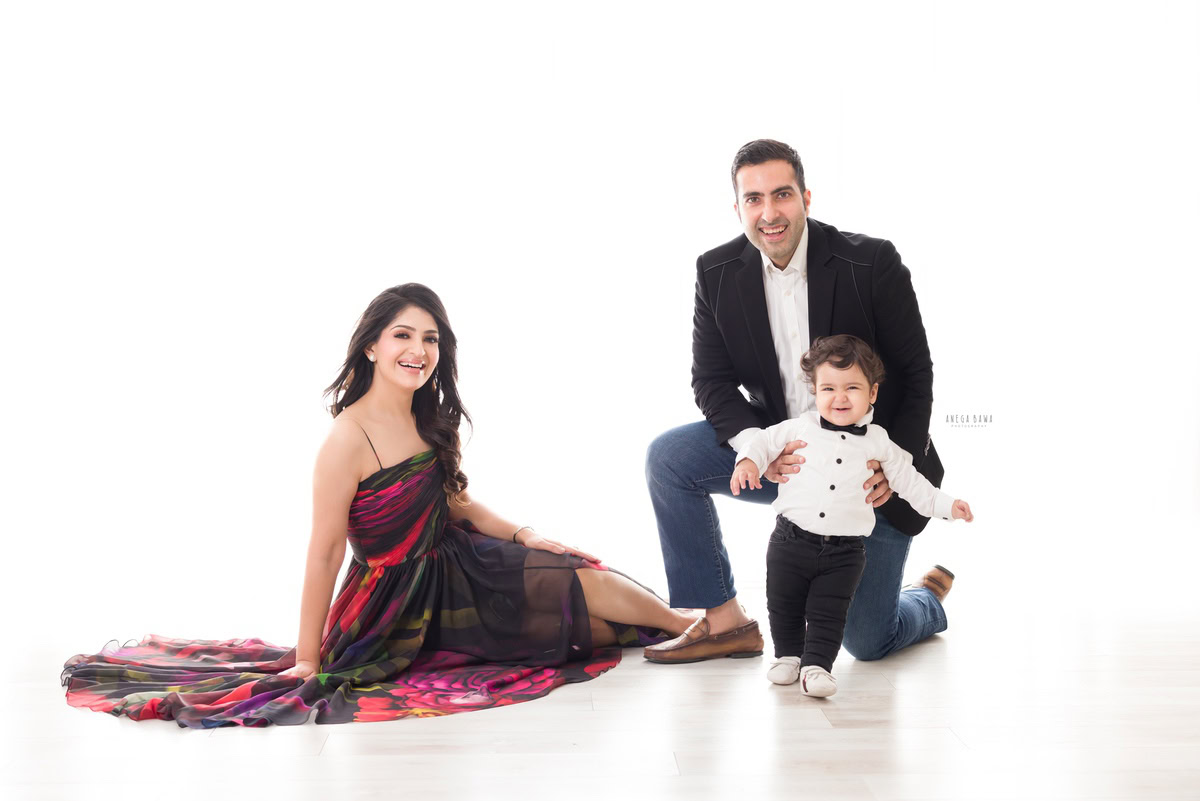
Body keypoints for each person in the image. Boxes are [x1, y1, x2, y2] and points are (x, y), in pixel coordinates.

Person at [61, 283, 692, 727]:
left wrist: (525, 534)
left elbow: (461, 505)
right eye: (402, 336)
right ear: (371, 347)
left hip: (460, 565)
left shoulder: (428, 417)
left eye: (431, 339)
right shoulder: (346, 438)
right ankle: (691, 631)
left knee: (572, 576)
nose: (418, 350)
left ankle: (694, 629)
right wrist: (308, 658)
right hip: (392, 605)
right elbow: (324, 554)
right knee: (579, 634)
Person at [644, 138, 954, 666]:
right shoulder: (715, 272)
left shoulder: (871, 262)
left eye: (782, 194)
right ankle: (725, 623)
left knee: (866, 642)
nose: (769, 213)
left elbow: (916, 374)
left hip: (867, 470)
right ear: (738, 207)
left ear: (806, 198)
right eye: (754, 198)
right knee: (669, 458)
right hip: (786, 454)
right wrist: (754, 450)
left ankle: (925, 600)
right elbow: (711, 382)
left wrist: (886, 462)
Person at [729, 334, 973, 696]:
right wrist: (749, 460)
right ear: (814, 391)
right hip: (789, 540)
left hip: (844, 552)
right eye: (828, 388)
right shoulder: (798, 428)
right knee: (784, 602)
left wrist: (946, 506)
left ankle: (817, 667)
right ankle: (788, 656)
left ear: (872, 393)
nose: (839, 397)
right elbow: (762, 441)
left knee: (830, 612)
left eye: (852, 388)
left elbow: (911, 483)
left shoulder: (879, 442)